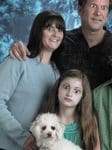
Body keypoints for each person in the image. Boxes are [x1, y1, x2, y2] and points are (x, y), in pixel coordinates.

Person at [9, 0, 112, 96]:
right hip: (64, 121)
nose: (98, 13)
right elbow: (37, 58)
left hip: (104, 124)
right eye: (93, 6)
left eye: (103, 8)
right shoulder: (61, 40)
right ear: (80, 9)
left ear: (107, 14)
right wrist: (19, 48)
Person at [0, 10, 65, 150]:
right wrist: (23, 137)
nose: (55, 34)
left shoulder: (56, 73)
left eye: (59, 29)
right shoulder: (17, 61)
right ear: (38, 31)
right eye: (49, 28)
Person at [44, 69, 100, 150]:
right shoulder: (45, 121)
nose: (69, 94)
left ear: (82, 96)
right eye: (66, 87)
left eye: (76, 91)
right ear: (58, 89)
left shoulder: (89, 121)